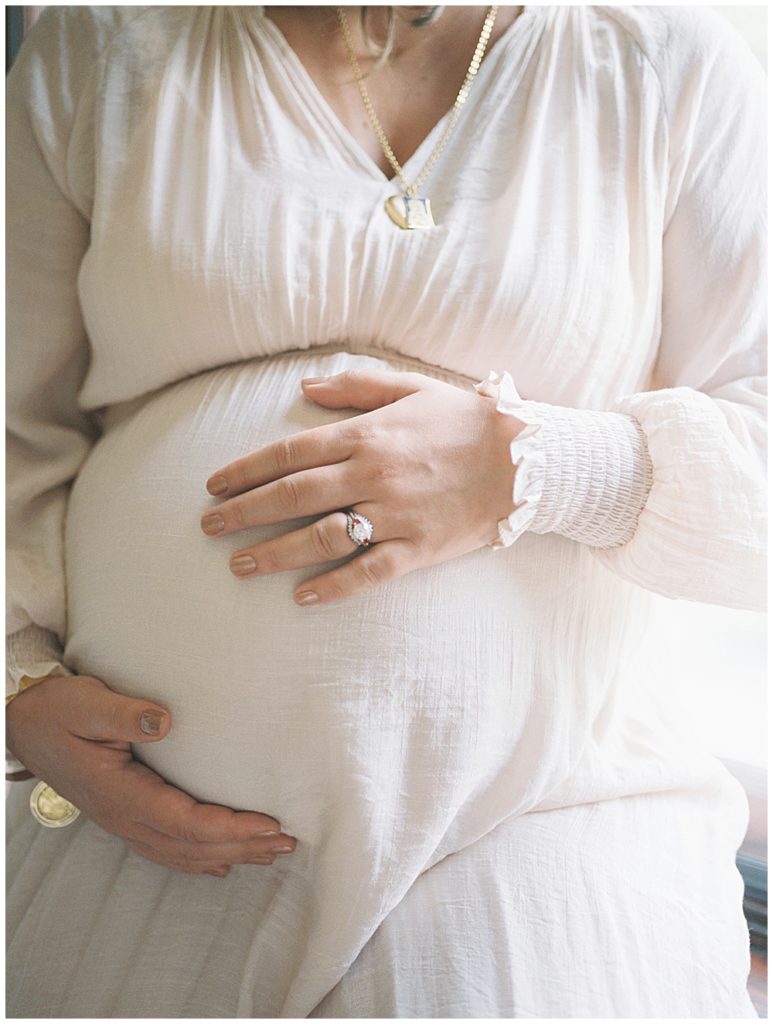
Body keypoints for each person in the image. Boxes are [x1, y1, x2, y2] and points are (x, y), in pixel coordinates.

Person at [6, 4, 765, 1018]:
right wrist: (18, 688)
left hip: (539, 817)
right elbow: (11, 419)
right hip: (135, 833)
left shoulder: (667, 65)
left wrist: (534, 465)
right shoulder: (99, 43)